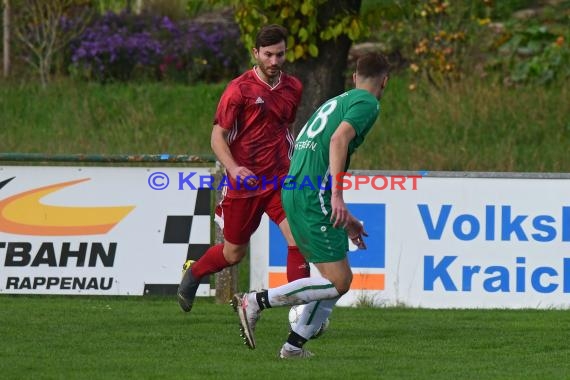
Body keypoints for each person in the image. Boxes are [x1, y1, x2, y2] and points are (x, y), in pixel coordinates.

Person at [231, 52, 391, 358]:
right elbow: (338, 141)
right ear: (384, 81)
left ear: (355, 77)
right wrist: (336, 197)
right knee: (339, 280)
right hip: (312, 194)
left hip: (296, 187)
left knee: (336, 279)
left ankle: (293, 346)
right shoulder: (368, 103)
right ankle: (254, 302)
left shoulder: (335, 102)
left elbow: (319, 143)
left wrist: (347, 217)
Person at [177, 24, 310, 313]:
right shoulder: (239, 90)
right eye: (268, 55)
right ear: (256, 53)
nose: (274, 61)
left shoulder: (293, 88)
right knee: (233, 253)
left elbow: (285, 128)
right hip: (244, 184)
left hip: (279, 180)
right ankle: (195, 272)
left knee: (298, 237)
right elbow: (217, 137)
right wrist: (234, 168)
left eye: (280, 55)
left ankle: (300, 316)